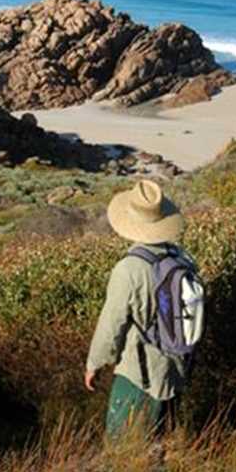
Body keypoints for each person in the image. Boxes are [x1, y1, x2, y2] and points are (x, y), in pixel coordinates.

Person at [85, 179, 202, 438]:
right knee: (161, 439)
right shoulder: (182, 258)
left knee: (123, 450)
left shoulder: (129, 269)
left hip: (138, 374)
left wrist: (95, 363)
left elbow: (111, 323)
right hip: (176, 369)